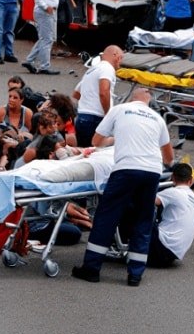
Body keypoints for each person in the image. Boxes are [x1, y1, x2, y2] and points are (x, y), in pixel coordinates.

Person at [71, 86, 173, 286]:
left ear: (131, 98)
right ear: (148, 101)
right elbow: (168, 158)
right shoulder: (157, 119)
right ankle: (135, 274)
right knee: (144, 221)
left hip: (126, 169)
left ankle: (91, 268)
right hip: (152, 171)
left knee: (106, 217)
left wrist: (117, 138)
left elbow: (96, 141)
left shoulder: (119, 110)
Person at [133, 162, 194, 267]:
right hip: (174, 252)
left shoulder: (173, 192)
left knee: (133, 208)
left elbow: (148, 201)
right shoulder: (192, 196)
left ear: (172, 177)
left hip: (161, 248)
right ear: (191, 180)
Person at [73, 45, 122, 148]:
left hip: (82, 116)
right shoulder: (107, 69)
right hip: (95, 118)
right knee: (96, 152)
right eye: (121, 58)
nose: (120, 62)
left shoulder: (92, 70)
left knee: (83, 151)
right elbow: (104, 92)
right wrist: (108, 114)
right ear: (115, 55)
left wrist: (88, 102)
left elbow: (76, 93)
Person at [22, 0, 62, 75]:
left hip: (48, 11)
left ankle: (29, 60)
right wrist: (45, 6)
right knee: (47, 39)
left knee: (45, 38)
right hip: (45, 12)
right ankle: (44, 65)